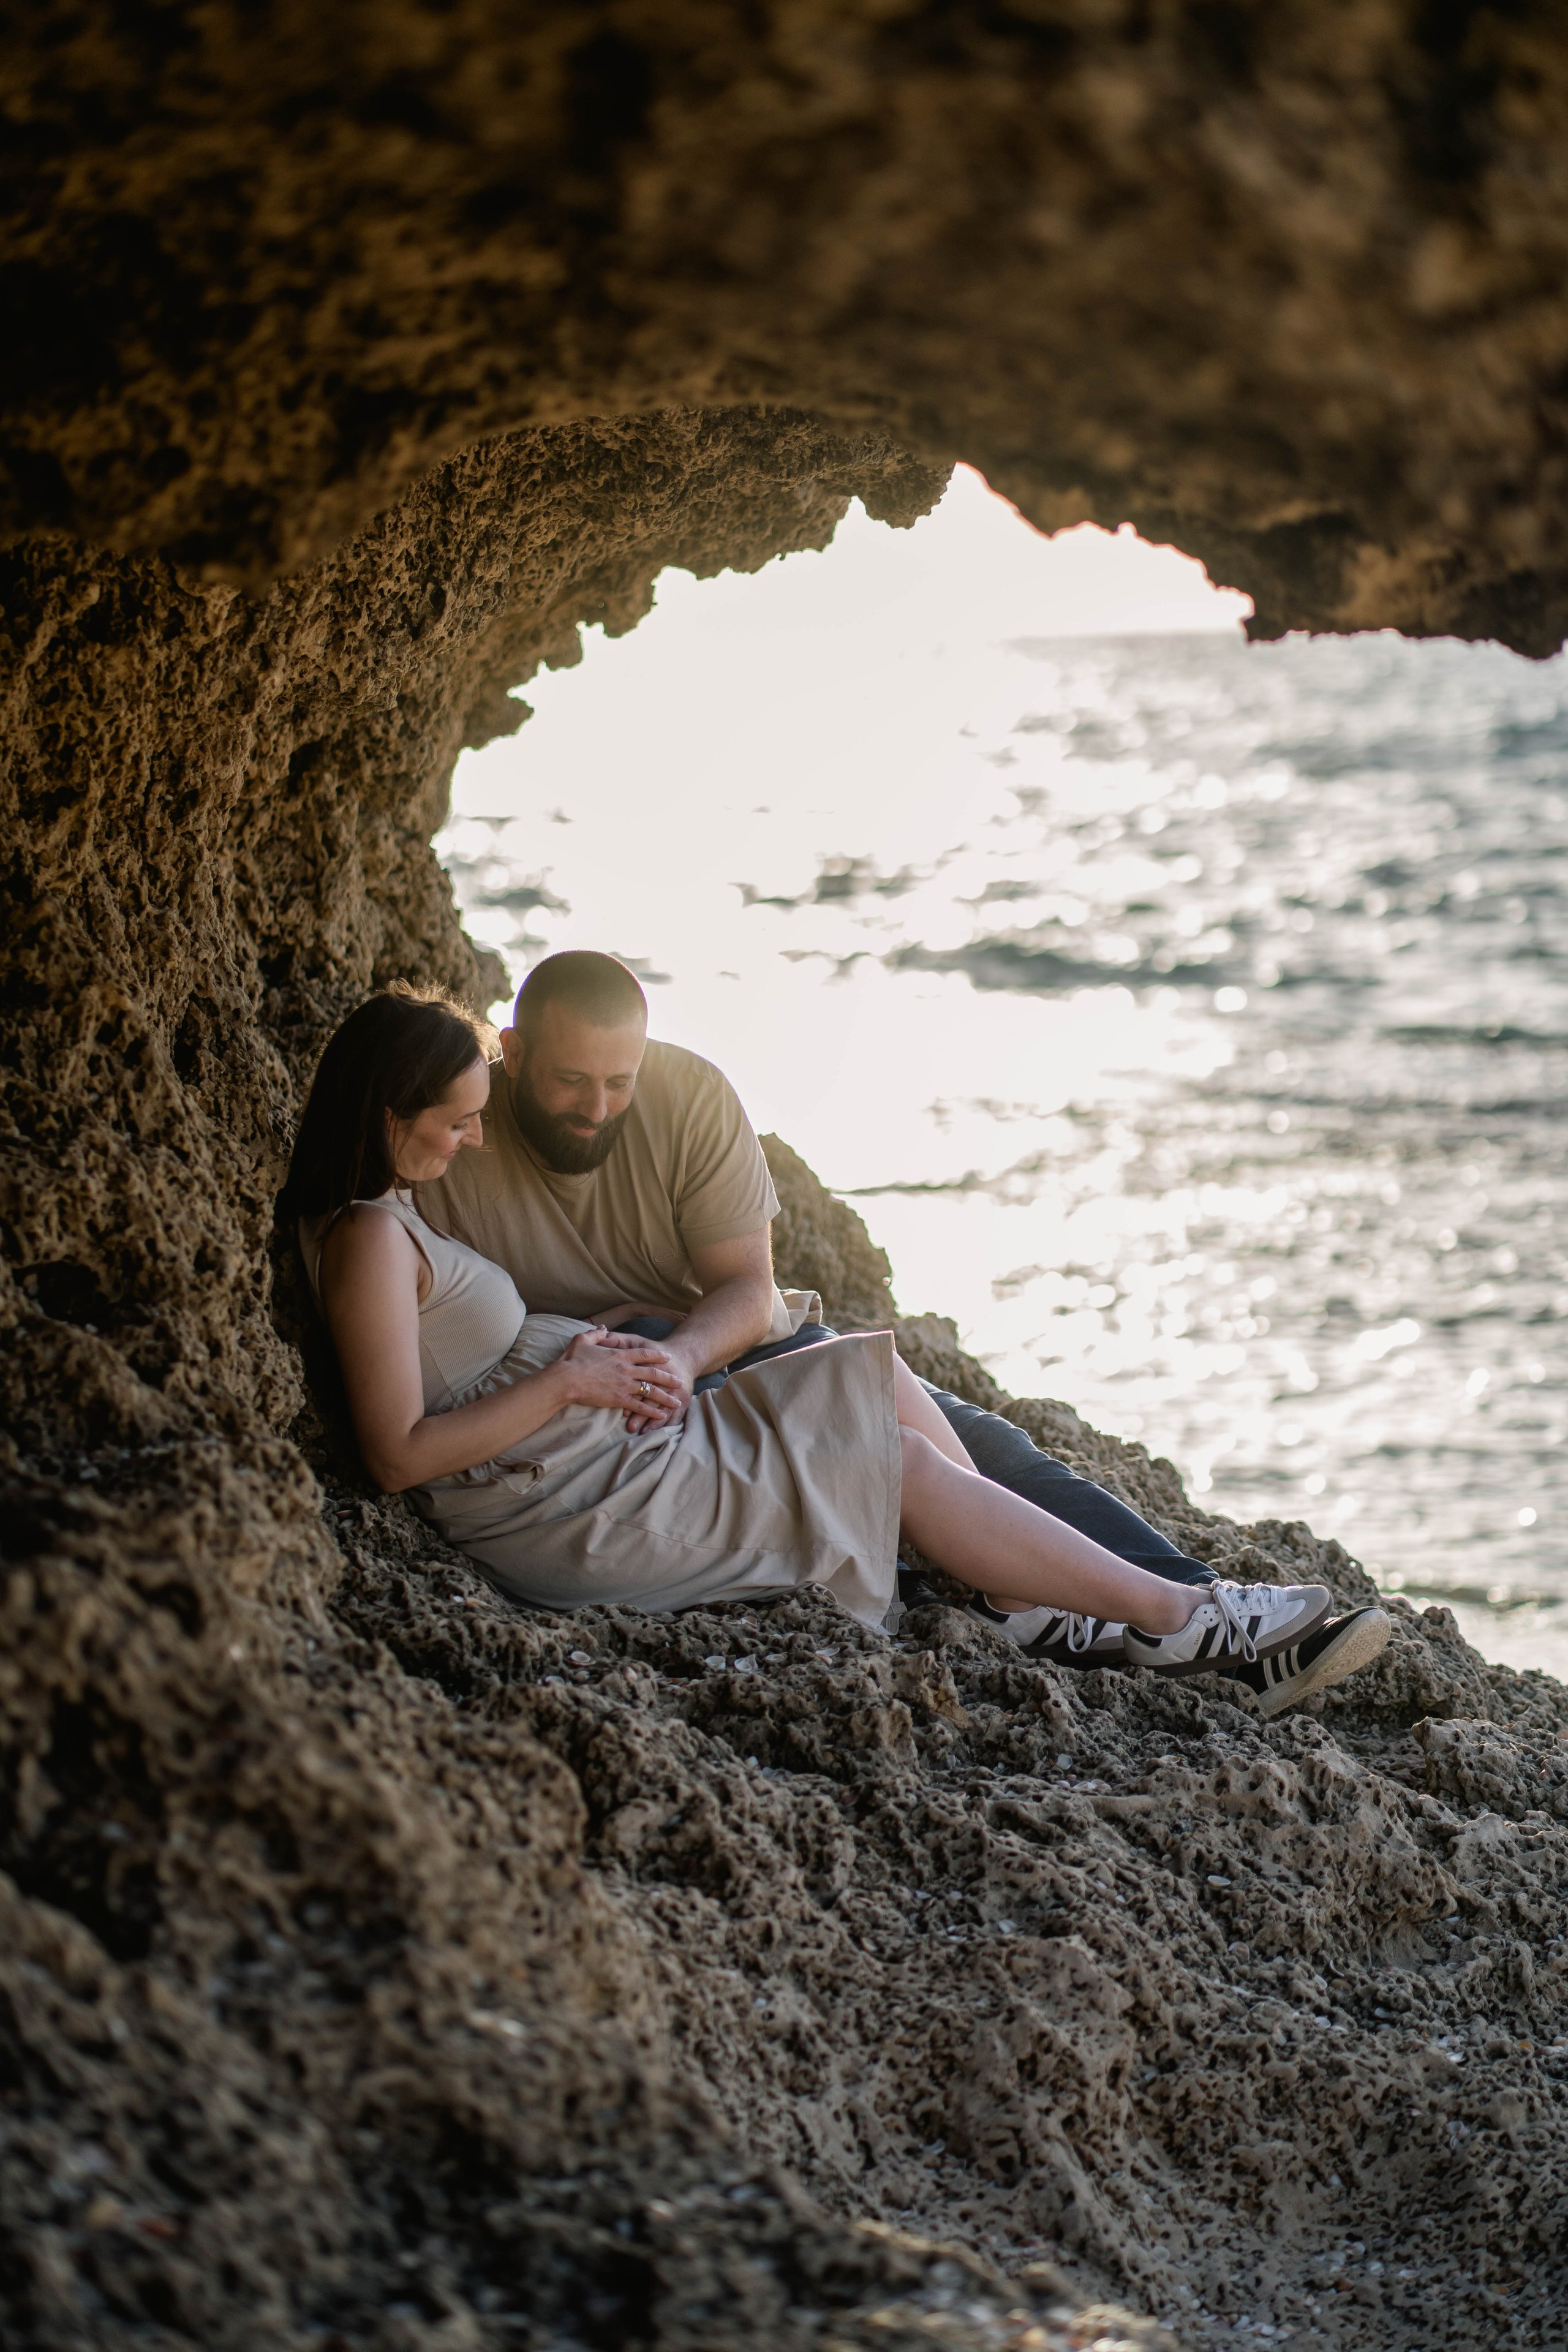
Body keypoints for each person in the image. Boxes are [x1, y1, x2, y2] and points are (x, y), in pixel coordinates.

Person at [281, 984, 1344, 1679]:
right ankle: (1178, 1617)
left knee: (863, 1377)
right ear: (388, 1109)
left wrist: (588, 1336)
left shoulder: (386, 1212)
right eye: (458, 1119)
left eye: (478, 1116)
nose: (474, 1141)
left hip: (578, 1454)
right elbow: (395, 1455)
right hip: (567, 1503)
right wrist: (565, 1382)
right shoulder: (374, 1234)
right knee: (905, 1466)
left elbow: (457, 1344)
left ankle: (1029, 1599)